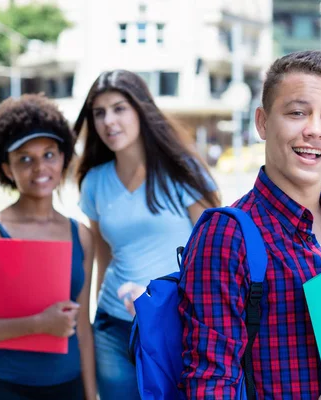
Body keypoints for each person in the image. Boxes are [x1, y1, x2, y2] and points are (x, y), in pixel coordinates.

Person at [178, 50, 321, 399]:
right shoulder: (227, 235)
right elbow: (211, 382)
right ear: (262, 122)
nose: (314, 130)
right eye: (297, 113)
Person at [74, 70, 220, 400]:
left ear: (141, 110)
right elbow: (103, 255)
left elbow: (213, 254)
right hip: (113, 327)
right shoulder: (94, 182)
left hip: (173, 323)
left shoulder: (183, 171)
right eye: (99, 112)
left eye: (119, 108)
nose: (109, 121)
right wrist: (96, 318)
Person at [0, 94, 97, 400]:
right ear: (7, 169)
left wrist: (89, 394)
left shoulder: (81, 235)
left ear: (63, 158)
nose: (39, 167)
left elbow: (82, 325)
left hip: (68, 387)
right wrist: (38, 324)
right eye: (25, 158)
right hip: (4, 387)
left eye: (49, 154)